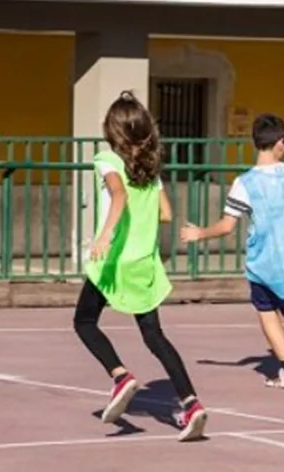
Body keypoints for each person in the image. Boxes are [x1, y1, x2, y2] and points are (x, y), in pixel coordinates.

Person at [73, 90, 207, 442]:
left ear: (113, 131)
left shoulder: (107, 159)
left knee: (84, 322)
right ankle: (191, 404)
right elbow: (166, 213)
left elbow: (118, 194)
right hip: (144, 264)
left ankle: (120, 376)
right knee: (154, 337)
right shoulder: (149, 170)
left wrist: (105, 235)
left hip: (115, 262)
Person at [180, 113, 284, 390]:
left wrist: (199, 233)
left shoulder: (244, 183)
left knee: (267, 313)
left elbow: (227, 226)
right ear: (280, 143)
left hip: (264, 262)